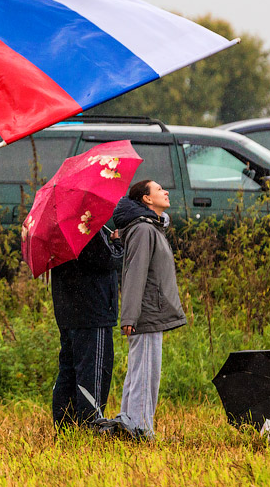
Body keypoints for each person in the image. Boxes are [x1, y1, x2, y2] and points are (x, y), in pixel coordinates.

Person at [98, 179, 186, 440]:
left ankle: (131, 424)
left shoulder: (148, 228)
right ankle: (140, 429)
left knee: (142, 371)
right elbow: (134, 273)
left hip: (148, 311)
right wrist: (130, 316)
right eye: (159, 189)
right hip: (146, 313)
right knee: (146, 374)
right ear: (146, 199)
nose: (166, 191)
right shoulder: (143, 231)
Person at [50, 227, 123, 429]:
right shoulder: (85, 226)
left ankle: (64, 424)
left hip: (67, 310)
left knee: (68, 369)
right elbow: (110, 259)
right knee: (94, 370)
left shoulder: (57, 230)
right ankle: (91, 423)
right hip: (92, 310)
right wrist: (118, 242)